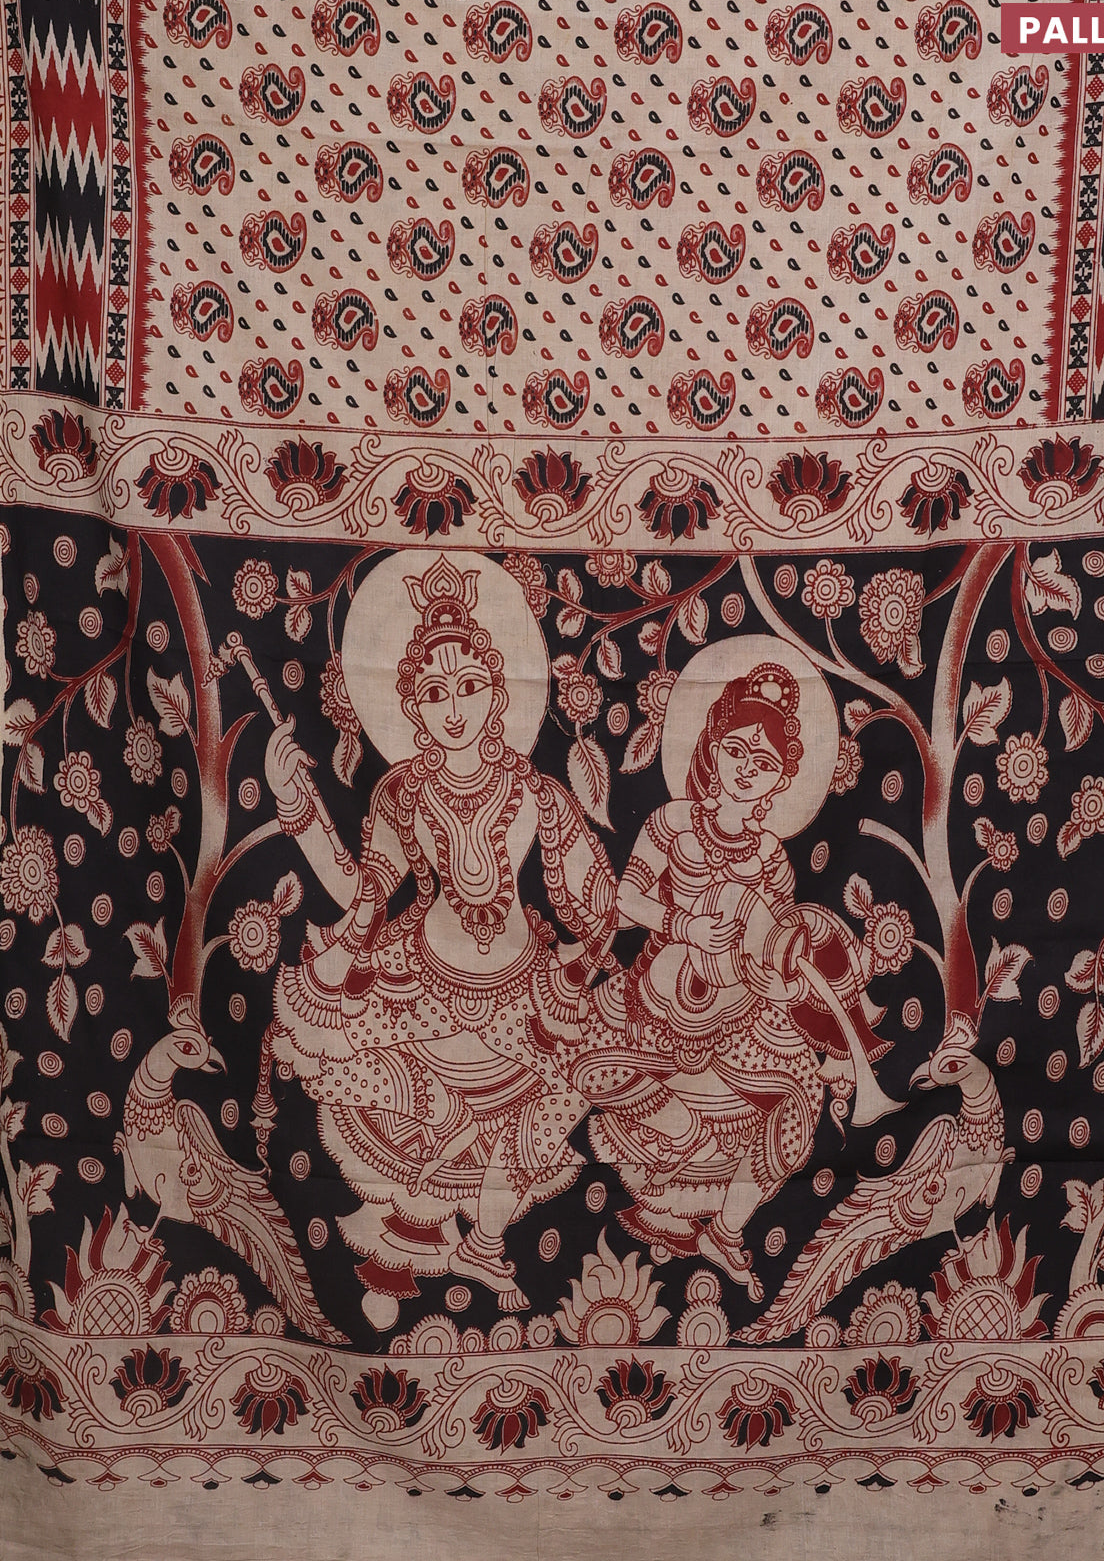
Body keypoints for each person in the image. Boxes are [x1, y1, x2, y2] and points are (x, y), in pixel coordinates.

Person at [266, 555, 616, 1323]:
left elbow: (598, 905)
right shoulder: (401, 793)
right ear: (412, 709)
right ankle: (403, 1246)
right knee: (386, 1095)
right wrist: (297, 808)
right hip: (420, 986)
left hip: (522, 994)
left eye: (468, 685)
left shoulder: (538, 796)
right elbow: (362, 896)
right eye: (433, 692)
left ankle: (484, 1242)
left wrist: (580, 961)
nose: (453, 708)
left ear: (499, 692)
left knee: (565, 1094)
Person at [573, 659, 897, 1301]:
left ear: (782, 779)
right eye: (737, 749)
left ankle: (725, 1229)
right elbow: (623, 900)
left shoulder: (772, 857)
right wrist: (684, 924)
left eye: (766, 761)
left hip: (739, 1018)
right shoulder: (672, 823)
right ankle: (680, 1144)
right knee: (587, 1067)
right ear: (712, 746)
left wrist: (783, 987)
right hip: (658, 1001)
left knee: (799, 1104)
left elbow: (775, 947)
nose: (748, 768)